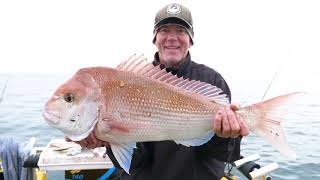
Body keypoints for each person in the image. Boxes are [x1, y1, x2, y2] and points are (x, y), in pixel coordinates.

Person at [73, 3, 249, 180]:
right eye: (164, 30)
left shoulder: (212, 81)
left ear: (191, 39)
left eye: (180, 30)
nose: (172, 38)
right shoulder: (130, 82)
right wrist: (109, 140)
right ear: (155, 38)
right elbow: (135, 163)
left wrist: (225, 135)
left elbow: (227, 155)